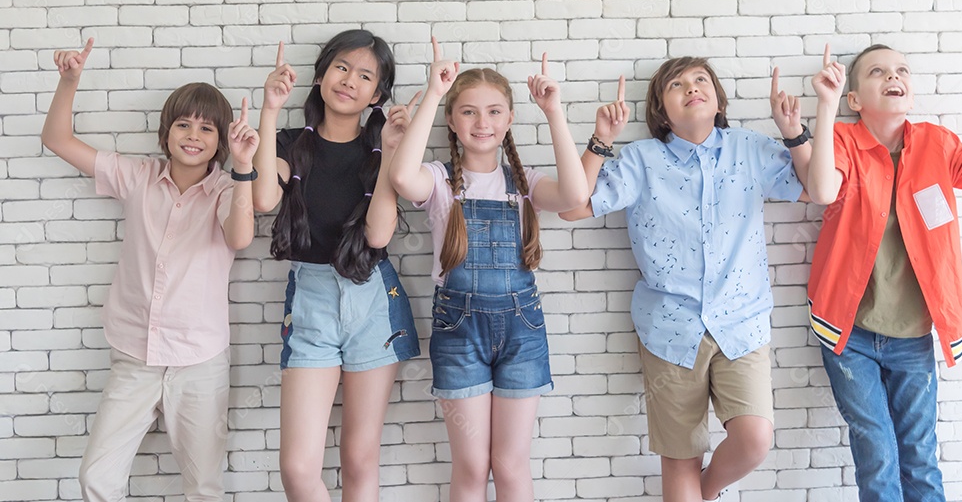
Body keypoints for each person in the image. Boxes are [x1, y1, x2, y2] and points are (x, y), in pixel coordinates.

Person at [561, 57, 813, 502]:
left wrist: (793, 130)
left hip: (742, 322)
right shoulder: (641, 159)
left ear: (717, 99)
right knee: (680, 458)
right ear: (661, 109)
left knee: (755, 439)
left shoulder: (750, 148)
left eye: (701, 80)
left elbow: (816, 188)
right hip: (670, 329)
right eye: (676, 84)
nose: (691, 87)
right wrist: (601, 141)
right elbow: (574, 205)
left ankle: (706, 491)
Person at [803, 36, 962, 502]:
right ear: (854, 99)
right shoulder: (844, 140)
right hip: (850, 335)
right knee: (878, 458)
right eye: (877, 72)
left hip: (913, 335)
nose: (894, 76)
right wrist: (825, 109)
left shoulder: (936, 144)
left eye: (902, 70)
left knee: (919, 458)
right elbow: (823, 190)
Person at [41, 38, 257, 502]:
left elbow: (239, 238)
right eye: (183, 124)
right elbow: (57, 140)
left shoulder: (224, 188)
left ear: (220, 141)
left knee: (203, 487)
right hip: (134, 356)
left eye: (206, 128)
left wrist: (243, 168)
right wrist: (70, 81)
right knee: (97, 477)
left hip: (199, 361)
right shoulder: (137, 177)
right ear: (166, 131)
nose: (193, 135)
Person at [389, 37, 588, 502]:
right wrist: (434, 92)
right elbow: (401, 177)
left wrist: (553, 111)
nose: (483, 122)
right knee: (473, 465)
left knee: (511, 464)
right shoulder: (438, 181)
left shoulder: (526, 184)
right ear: (453, 122)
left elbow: (577, 195)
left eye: (495, 111)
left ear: (510, 119)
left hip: (523, 331)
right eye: (469, 111)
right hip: (458, 331)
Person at [250, 31, 421, 502]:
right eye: (343, 67)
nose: (350, 81)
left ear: (378, 95)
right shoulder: (288, 142)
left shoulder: (381, 148)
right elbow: (263, 200)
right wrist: (268, 109)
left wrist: (388, 149)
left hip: (373, 301)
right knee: (298, 468)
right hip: (311, 302)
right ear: (322, 72)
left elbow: (378, 235)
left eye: (366, 76)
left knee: (359, 458)